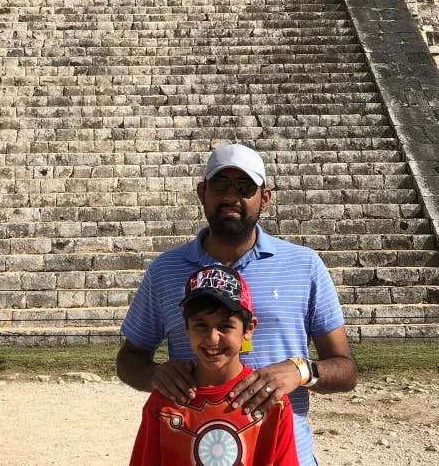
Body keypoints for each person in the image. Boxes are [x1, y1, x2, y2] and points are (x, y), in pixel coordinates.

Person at [117, 143, 358, 466]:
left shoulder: (304, 265)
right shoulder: (165, 271)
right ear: (202, 192)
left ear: (265, 197)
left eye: (244, 187)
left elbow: (346, 369)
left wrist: (302, 370)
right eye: (220, 185)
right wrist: (158, 375)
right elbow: (129, 359)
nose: (231, 197)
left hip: (284, 455)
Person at [129, 264, 299, 465]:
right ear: (186, 329)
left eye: (225, 326)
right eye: (201, 325)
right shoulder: (163, 403)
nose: (212, 338)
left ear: (248, 329)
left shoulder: (271, 403)